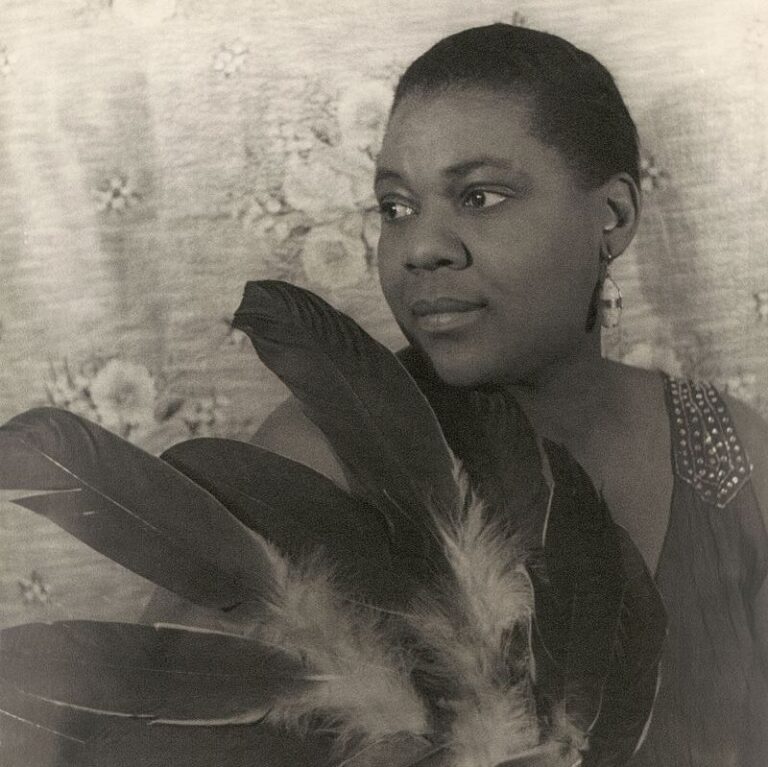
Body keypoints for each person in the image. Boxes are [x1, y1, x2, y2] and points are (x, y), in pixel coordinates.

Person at [250, 23, 768, 766]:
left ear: (613, 218)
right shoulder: (319, 452)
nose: (421, 246)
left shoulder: (731, 452)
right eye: (395, 207)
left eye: (479, 195)